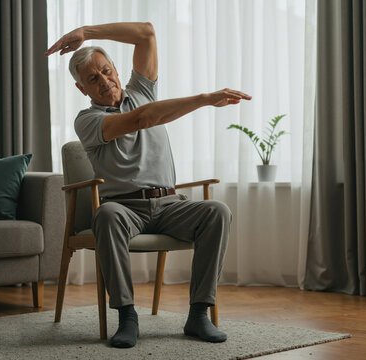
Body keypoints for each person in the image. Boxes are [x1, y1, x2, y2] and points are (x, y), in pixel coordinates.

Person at [45, 22, 251, 349]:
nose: (104, 81)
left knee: (217, 212)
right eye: (92, 79)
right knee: (106, 215)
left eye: (106, 71)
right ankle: (127, 316)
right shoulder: (86, 121)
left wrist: (86, 31)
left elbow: (146, 33)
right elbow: (143, 120)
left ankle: (198, 314)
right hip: (126, 209)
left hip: (170, 206)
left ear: (115, 69)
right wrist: (204, 99)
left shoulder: (141, 92)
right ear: (81, 89)